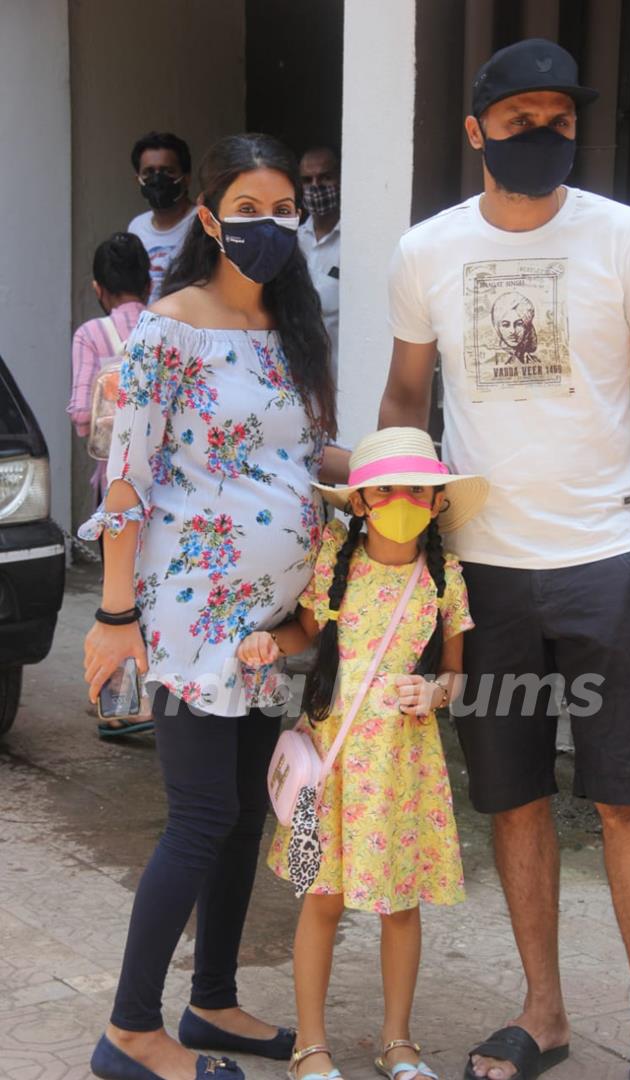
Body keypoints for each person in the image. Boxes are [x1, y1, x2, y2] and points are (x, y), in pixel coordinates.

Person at [380, 38, 630, 1080]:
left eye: (560, 120)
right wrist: (402, 530)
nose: (543, 136)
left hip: (604, 559)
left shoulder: (624, 238)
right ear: (476, 129)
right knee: (513, 797)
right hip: (481, 572)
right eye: (520, 120)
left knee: (625, 797)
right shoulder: (427, 250)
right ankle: (545, 1013)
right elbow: (403, 396)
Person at [80, 132, 348, 1080]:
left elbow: (301, 455)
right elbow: (129, 476)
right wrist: (115, 618)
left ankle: (213, 1002)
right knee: (200, 816)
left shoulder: (291, 328)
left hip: (272, 631)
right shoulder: (168, 327)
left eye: (284, 210)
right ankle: (128, 1029)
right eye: (250, 210)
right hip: (192, 619)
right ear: (209, 218)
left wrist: (403, 473)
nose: (270, 225)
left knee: (245, 816)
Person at [238, 427, 486, 1080]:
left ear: (436, 503)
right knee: (319, 897)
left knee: (399, 903)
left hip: (405, 771)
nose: (401, 499)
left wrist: (432, 689)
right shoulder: (333, 563)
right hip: (332, 762)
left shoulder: (446, 579)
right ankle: (309, 1047)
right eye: (385, 489)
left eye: (416, 489)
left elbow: (457, 678)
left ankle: (398, 1042)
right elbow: (303, 630)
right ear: (360, 502)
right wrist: (270, 644)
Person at [68, 232, 152, 737]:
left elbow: (82, 412)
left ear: (99, 288)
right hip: (173, 488)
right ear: (149, 281)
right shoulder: (171, 323)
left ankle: (125, 705)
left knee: (119, 595)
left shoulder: (91, 333)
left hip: (118, 489)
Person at [128, 131, 197, 302]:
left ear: (187, 178)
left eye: (168, 171)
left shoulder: (203, 223)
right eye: (149, 172)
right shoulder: (137, 227)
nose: (157, 179)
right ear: (138, 180)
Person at [298, 147, 341, 380]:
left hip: (342, 386)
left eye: (325, 177)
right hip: (300, 383)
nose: (316, 186)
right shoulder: (292, 242)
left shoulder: (353, 244)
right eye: (307, 180)